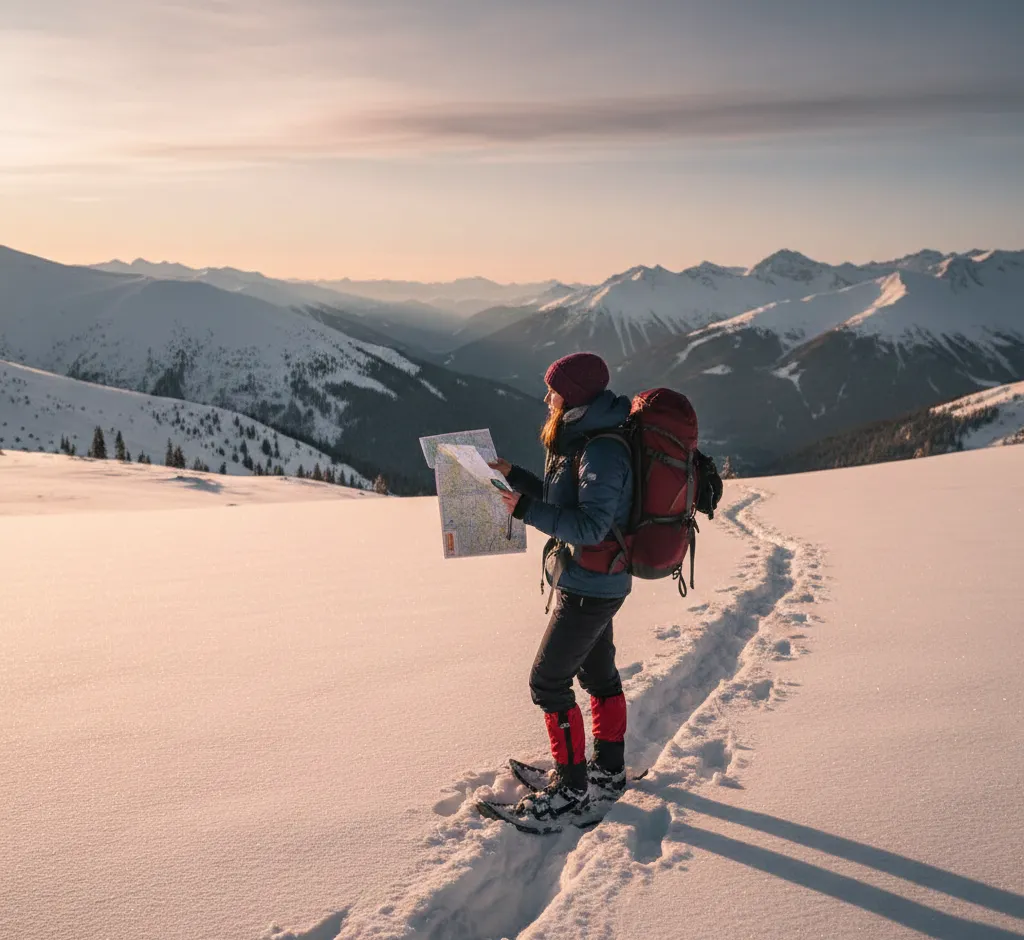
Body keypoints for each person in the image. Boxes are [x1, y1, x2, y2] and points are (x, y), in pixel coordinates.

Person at [490, 351, 634, 826]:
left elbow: (592, 526)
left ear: (572, 395)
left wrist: (524, 512)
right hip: (592, 578)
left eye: (554, 389)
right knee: (597, 675)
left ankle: (571, 789)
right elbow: (562, 501)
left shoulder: (602, 449)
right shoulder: (579, 435)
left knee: (547, 681)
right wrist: (514, 477)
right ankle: (607, 771)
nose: (547, 396)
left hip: (593, 582)